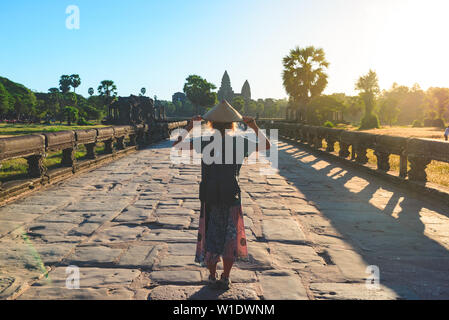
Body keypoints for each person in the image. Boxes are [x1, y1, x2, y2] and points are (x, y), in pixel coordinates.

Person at [172, 100, 271, 290]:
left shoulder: (205, 141)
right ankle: (225, 276)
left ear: (211, 123)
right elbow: (266, 145)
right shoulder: (240, 142)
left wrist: (190, 126)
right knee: (230, 237)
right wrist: (254, 126)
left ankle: (211, 275)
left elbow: (177, 145)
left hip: (210, 196)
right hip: (231, 196)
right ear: (233, 123)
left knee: (211, 236)